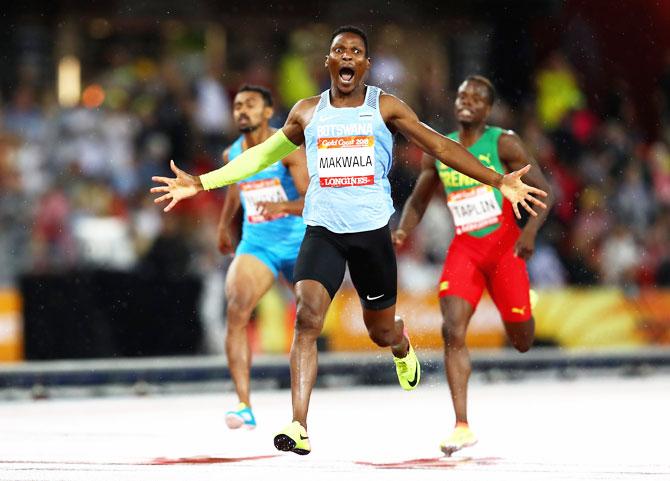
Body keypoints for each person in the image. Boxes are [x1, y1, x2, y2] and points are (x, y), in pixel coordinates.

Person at [151, 27, 547, 455]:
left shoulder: (386, 107)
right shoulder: (306, 112)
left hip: (370, 234)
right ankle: (298, 425)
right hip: (322, 230)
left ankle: (399, 342)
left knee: (379, 330)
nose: (347, 56)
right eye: (339, 50)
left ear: (365, 65)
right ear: (328, 62)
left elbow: (440, 147)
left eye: (356, 51)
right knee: (306, 318)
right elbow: (259, 156)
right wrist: (202, 182)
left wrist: (497, 180)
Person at [393, 75, 554, 456]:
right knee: (452, 329)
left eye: (477, 97)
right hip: (464, 249)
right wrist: (402, 232)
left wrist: (528, 233)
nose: (467, 101)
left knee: (522, 341)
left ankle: (523, 307)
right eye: (462, 94)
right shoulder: (440, 149)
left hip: (505, 252)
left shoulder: (504, 143)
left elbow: (544, 192)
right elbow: (418, 199)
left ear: (488, 108)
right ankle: (461, 424)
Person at [216, 85, 308, 430]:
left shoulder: (288, 151)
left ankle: (300, 410)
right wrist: (224, 225)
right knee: (236, 308)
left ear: (268, 112)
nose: (242, 110)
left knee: (308, 317)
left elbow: (313, 199)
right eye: (237, 105)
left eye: (250, 104)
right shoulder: (232, 154)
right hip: (258, 245)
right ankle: (243, 404)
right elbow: (235, 189)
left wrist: (283, 206)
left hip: (299, 242)